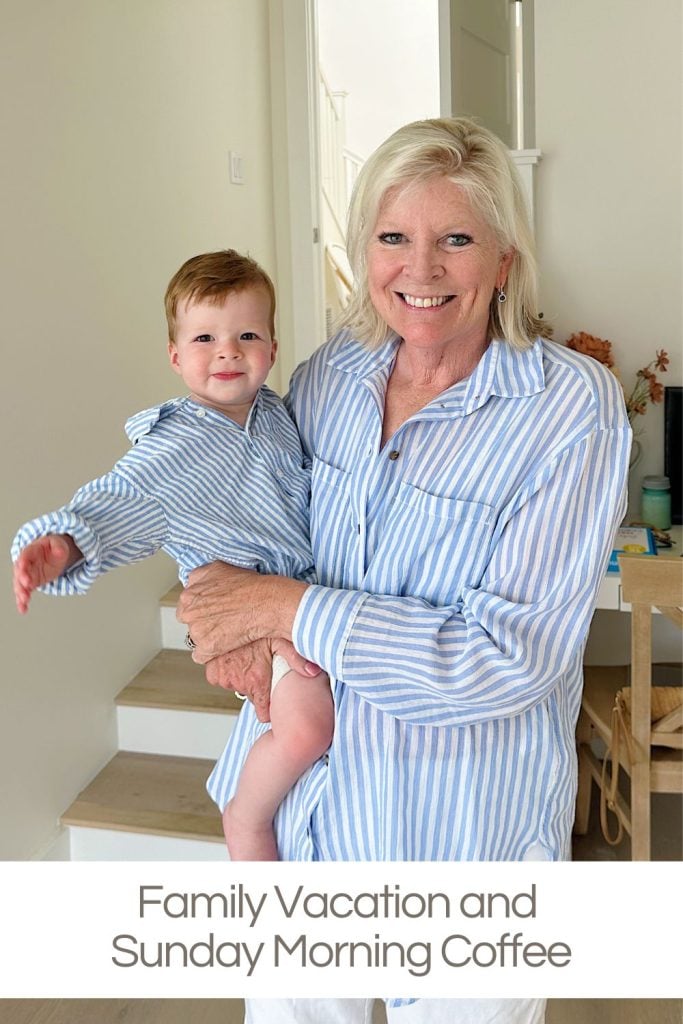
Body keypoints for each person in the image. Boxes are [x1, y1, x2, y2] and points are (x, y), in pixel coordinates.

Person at [177, 118, 631, 1024]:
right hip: (307, 830)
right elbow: (247, 513)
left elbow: (508, 656)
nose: (419, 270)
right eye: (393, 238)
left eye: (455, 238)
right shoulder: (324, 377)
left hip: (467, 848)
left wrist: (282, 607)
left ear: (504, 258)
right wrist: (216, 608)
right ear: (363, 253)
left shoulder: (568, 409)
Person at [11, 249, 333, 862]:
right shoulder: (175, 444)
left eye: (247, 335)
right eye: (206, 337)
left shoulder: (275, 415)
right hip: (254, 618)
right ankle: (246, 815)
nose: (228, 352)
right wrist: (65, 542)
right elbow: (121, 497)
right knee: (309, 727)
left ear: (272, 344)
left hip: (305, 598)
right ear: (176, 355)